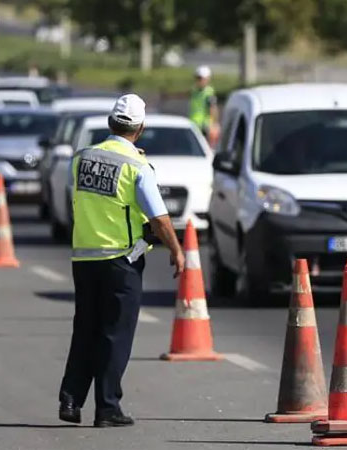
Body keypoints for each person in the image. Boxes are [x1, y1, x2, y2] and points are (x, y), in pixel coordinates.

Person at [58, 94, 185, 427]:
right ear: (140, 129)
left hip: (83, 257)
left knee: (85, 329)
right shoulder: (137, 167)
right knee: (115, 334)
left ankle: (70, 400)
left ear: (110, 123)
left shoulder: (81, 158)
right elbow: (158, 218)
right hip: (120, 260)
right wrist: (177, 250)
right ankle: (107, 407)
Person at [189, 65, 220, 147]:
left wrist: (214, 124)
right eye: (198, 78)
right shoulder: (194, 90)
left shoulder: (209, 92)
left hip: (205, 126)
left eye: (201, 78)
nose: (200, 81)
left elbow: (213, 108)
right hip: (194, 123)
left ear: (207, 79)